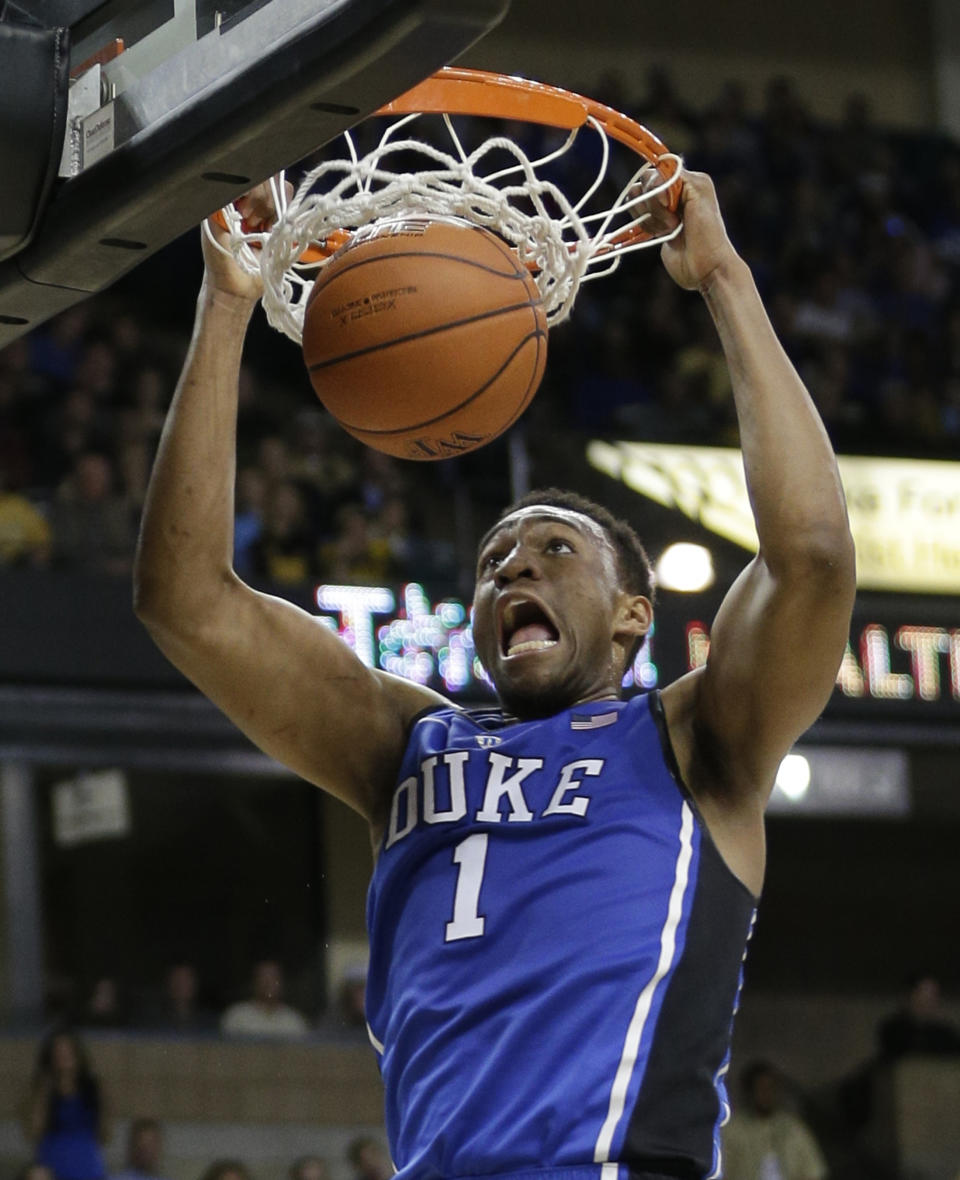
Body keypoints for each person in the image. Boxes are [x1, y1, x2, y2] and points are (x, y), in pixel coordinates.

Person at [134, 168, 856, 1180]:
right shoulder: (404, 744)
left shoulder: (696, 740)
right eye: (493, 564)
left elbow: (814, 556)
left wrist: (725, 280)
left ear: (631, 617)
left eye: (556, 550)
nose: (512, 565)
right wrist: (224, 303)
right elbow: (185, 600)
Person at [23, 1028, 109, 1180]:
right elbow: (33, 1132)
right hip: (53, 1166)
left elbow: (105, 1134)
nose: (63, 1056)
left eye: (67, 1050)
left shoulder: (92, 1088)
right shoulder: (42, 1089)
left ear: (77, 1054)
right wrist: (45, 1091)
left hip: (87, 1167)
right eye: (58, 1051)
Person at [722, 1061, 828, 1180]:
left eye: (771, 1088)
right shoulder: (732, 1130)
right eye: (761, 1088)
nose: (766, 1094)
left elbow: (813, 1171)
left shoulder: (793, 1128)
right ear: (749, 1091)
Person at [219, 959, 310, 1038]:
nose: (269, 983)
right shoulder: (237, 1016)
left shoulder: (294, 1020)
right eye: (264, 978)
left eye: (274, 978)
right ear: (254, 982)